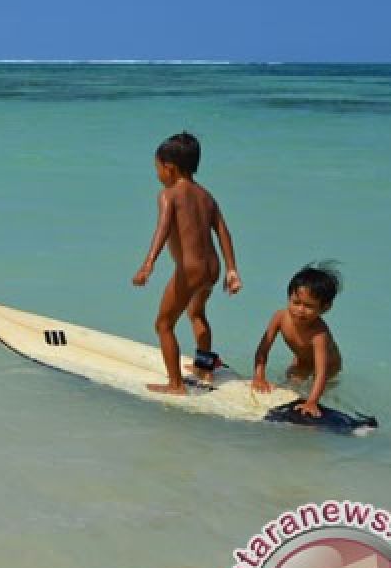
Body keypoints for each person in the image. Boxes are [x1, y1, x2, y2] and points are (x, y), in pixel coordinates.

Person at [132, 132, 242, 394]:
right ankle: (204, 368)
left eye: (157, 168)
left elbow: (162, 228)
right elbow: (224, 232)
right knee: (196, 313)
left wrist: (148, 263)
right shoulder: (207, 196)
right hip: (212, 268)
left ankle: (176, 385)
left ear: (169, 168)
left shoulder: (168, 194)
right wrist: (232, 270)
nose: (157, 174)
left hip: (190, 270)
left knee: (163, 324)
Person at [251, 263, 343, 418]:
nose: (300, 310)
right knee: (291, 385)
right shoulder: (280, 317)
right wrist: (259, 377)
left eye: (309, 306)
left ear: (325, 308)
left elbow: (321, 373)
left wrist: (312, 402)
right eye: (296, 302)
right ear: (289, 297)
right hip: (301, 360)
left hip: (329, 366)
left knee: (318, 393)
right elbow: (263, 349)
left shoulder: (319, 335)